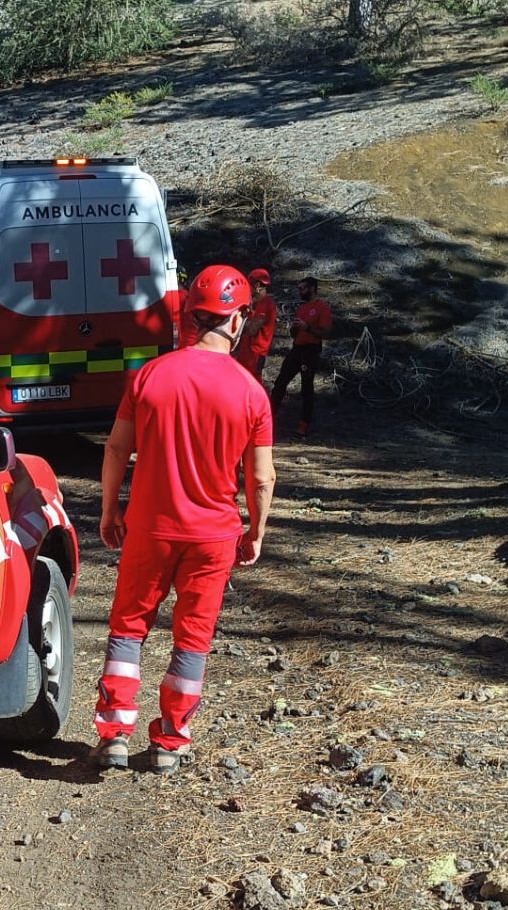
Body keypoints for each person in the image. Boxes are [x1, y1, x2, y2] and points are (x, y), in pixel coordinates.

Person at [94, 265, 277, 776]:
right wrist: (255, 531)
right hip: (213, 536)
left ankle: (114, 733)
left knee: (129, 629)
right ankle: (171, 741)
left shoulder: (150, 375)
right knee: (192, 638)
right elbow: (261, 479)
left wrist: (111, 508)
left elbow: (115, 448)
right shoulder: (250, 392)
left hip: (149, 528)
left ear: (194, 316)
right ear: (238, 319)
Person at [270, 277, 332, 437]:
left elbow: (325, 332)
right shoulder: (302, 308)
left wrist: (308, 327)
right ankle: (269, 418)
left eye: (303, 288)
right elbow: (293, 334)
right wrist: (295, 328)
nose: (300, 292)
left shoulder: (321, 308)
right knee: (280, 381)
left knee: (306, 388)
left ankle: (303, 425)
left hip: (311, 351)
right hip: (297, 348)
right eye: (299, 288)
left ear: (312, 289)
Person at [232, 269, 279, 380]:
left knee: (252, 381)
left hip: (256, 353)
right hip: (246, 349)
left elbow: (252, 329)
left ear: (257, 285)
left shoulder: (267, 304)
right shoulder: (254, 303)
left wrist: (240, 318)